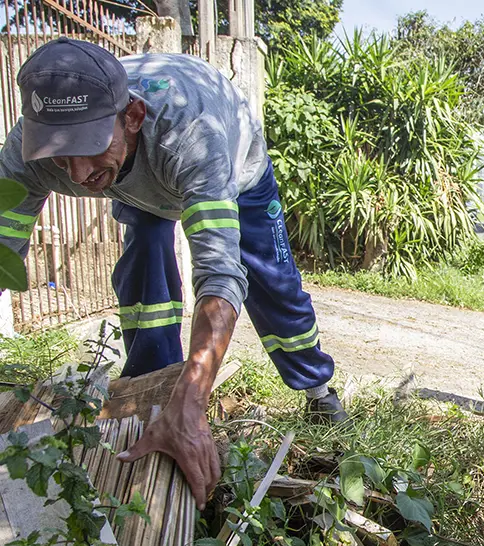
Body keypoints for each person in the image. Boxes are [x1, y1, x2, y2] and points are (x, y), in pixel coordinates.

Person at [0, 38, 349, 509]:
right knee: (144, 269)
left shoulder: (190, 134)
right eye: (62, 157)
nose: (78, 173)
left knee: (272, 283)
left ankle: (316, 388)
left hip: (233, 172)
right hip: (137, 183)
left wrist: (195, 402)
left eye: (90, 148)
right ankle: (152, 385)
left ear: (133, 116)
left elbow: (220, 273)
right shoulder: (27, 151)